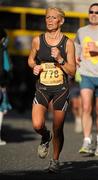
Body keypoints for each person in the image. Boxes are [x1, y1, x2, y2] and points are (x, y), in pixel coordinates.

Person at [28, 7, 76, 173]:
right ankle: (45, 135)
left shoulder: (68, 43)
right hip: (42, 87)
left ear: (61, 21)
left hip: (60, 89)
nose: (49, 20)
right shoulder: (37, 40)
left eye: (53, 18)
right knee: (37, 124)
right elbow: (30, 59)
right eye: (47, 17)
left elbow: (72, 71)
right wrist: (34, 67)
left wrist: (61, 59)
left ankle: (55, 160)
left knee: (58, 127)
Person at [74, 3, 98, 156]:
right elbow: (76, 44)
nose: (94, 14)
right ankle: (87, 141)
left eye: (97, 12)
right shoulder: (81, 31)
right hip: (86, 74)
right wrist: (75, 57)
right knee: (86, 107)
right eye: (91, 11)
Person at [0, 27, 12, 145]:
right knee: (1, 110)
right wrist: (3, 84)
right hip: (1, 83)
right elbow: (6, 68)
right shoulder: (2, 49)